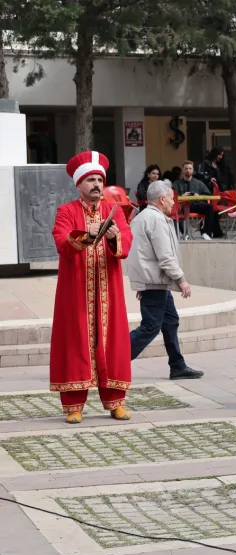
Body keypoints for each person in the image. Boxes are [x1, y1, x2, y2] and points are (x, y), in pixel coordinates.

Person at [51, 151, 134, 424]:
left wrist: (114, 237)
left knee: (113, 343)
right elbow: (62, 240)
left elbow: (125, 243)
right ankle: (74, 405)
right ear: (79, 184)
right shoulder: (66, 211)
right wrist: (88, 234)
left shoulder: (116, 213)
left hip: (109, 291)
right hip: (76, 292)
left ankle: (116, 402)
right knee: (75, 343)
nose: (96, 184)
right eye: (90, 180)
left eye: (99, 179)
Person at [127, 180, 204, 381]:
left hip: (154, 282)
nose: (173, 202)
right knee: (150, 327)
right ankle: (114, 360)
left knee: (170, 321)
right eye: (171, 198)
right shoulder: (156, 220)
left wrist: (142, 282)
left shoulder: (142, 217)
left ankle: (177, 366)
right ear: (162, 199)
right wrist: (181, 279)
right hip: (156, 282)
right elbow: (165, 256)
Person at [176, 160, 224, 240]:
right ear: (183, 170)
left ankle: (205, 232)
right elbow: (171, 196)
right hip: (182, 206)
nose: (188, 170)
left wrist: (199, 196)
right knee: (178, 211)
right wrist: (182, 196)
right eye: (186, 168)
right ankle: (186, 233)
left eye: (190, 168)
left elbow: (208, 195)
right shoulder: (176, 183)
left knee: (209, 208)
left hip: (196, 205)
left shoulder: (198, 183)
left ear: (193, 170)